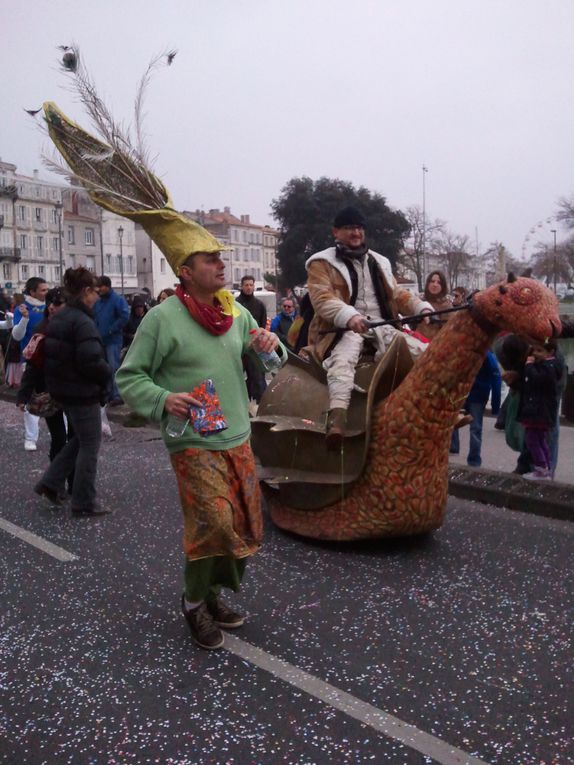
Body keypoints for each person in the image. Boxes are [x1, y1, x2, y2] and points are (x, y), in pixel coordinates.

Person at [117, 248, 285, 650]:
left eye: (220, 260)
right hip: (192, 437)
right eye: (210, 261)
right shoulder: (161, 318)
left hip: (237, 433)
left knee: (244, 526)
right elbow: (130, 375)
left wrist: (269, 345)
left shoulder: (235, 313)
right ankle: (193, 604)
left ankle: (210, 595)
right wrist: (162, 400)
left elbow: (270, 362)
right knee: (213, 521)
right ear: (186, 272)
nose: (221, 267)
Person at [306, 205, 432, 449]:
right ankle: (337, 419)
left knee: (425, 354)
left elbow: (397, 295)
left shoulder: (379, 261)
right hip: (343, 330)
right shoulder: (321, 263)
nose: (356, 232)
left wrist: (420, 308)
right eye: (350, 228)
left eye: (359, 228)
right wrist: (349, 316)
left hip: (382, 327)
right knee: (343, 362)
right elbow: (322, 299)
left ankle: (434, 408)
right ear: (336, 232)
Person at [34, 267, 112, 516]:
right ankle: (84, 501)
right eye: (95, 292)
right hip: (81, 391)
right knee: (90, 443)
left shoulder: (61, 317)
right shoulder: (82, 321)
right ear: (86, 291)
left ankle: (50, 482)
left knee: (80, 438)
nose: (97, 297)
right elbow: (90, 361)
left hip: (64, 389)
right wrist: (107, 373)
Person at [16, 287, 75, 493]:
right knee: (59, 438)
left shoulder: (77, 327)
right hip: (51, 391)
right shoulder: (42, 330)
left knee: (75, 438)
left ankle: (73, 484)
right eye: (50, 302)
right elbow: (33, 365)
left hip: (74, 391)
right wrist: (23, 394)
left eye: (57, 303)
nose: (52, 306)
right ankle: (56, 482)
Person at [517, 339, 564, 481]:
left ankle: (542, 468)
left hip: (539, 411)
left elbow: (537, 379)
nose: (535, 354)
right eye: (534, 350)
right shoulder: (551, 365)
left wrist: (529, 365)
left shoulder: (548, 367)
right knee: (540, 439)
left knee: (532, 439)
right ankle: (546, 468)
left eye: (539, 351)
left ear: (551, 352)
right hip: (540, 410)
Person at [11, 277, 49, 450]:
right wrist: (24, 319)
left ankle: (62, 432)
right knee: (31, 397)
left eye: (46, 289)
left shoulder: (51, 306)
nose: (45, 292)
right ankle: (31, 437)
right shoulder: (22, 308)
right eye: (42, 290)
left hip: (52, 358)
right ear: (32, 292)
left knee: (59, 395)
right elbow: (17, 336)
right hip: (31, 360)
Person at [450, 350, 501, 466]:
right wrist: (495, 405)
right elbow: (496, 379)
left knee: (454, 420)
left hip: (463, 392)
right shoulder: (488, 355)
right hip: (478, 394)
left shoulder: (465, 350)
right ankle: (474, 459)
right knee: (475, 428)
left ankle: (454, 447)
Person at [92, 275, 129, 406]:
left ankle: (117, 395)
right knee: (104, 368)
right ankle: (108, 394)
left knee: (114, 367)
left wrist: (111, 330)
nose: (98, 289)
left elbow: (125, 316)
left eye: (100, 286)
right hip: (101, 340)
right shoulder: (98, 301)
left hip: (113, 340)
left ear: (107, 286)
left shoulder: (117, 300)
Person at [236, 275, 268, 403]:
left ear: (254, 286)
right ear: (242, 286)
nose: (249, 288)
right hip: (238, 347)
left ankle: (261, 405)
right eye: (246, 285)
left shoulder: (260, 305)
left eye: (251, 285)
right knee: (236, 379)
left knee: (258, 379)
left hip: (255, 347)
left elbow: (263, 326)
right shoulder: (235, 304)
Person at [418, 270, 452, 342]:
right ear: (428, 283)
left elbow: (448, 332)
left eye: (439, 282)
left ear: (443, 286)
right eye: (432, 281)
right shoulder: (419, 301)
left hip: (435, 346)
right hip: (417, 344)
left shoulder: (446, 306)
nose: (435, 284)